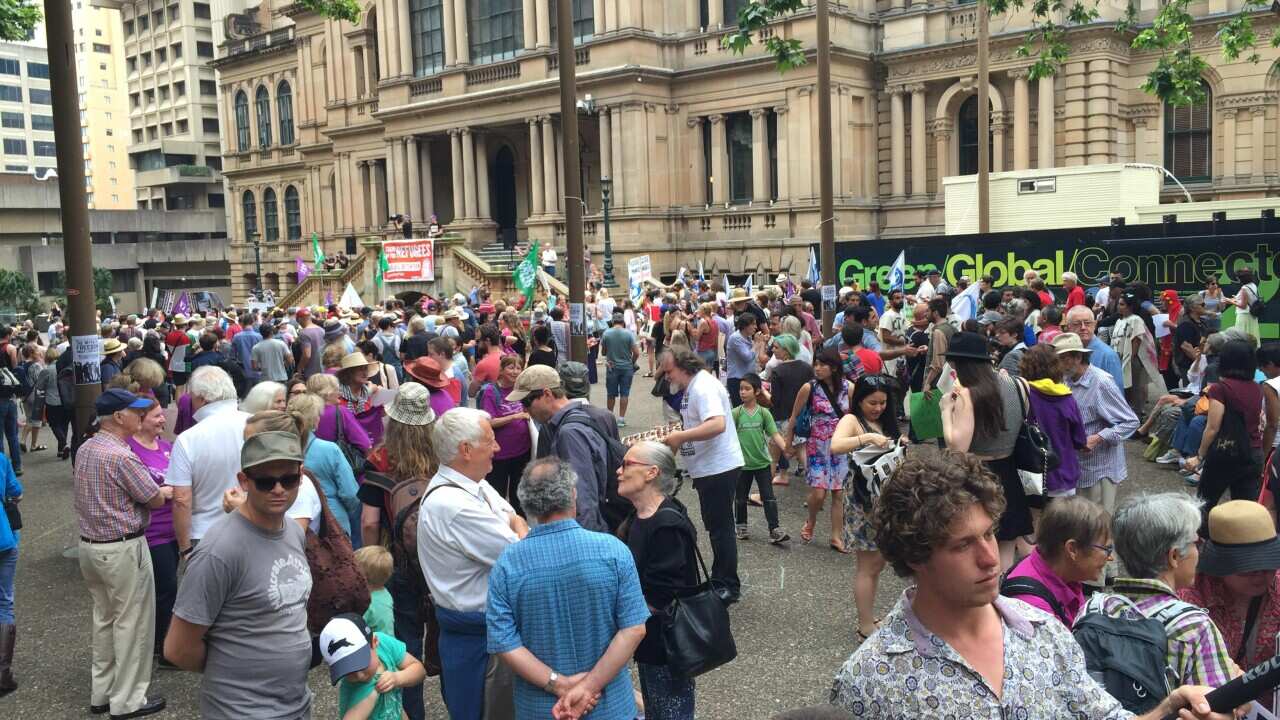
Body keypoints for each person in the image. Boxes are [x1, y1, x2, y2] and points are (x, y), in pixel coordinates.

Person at [829, 451, 1236, 720]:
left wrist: (1169, 707)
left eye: (989, 534)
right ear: (916, 556)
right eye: (963, 545)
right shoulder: (868, 681)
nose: (991, 558)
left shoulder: (1045, 633)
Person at [164, 430, 314, 719]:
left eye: (289, 479)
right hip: (240, 711)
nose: (279, 489)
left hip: (295, 706)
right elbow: (178, 648)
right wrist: (236, 670)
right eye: (266, 481)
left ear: (301, 476)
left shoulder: (293, 531)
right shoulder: (219, 551)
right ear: (244, 481)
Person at [487, 458, 650, 720]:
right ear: (573, 494)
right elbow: (634, 628)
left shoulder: (507, 564)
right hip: (609, 704)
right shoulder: (613, 551)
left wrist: (559, 683)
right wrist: (589, 685)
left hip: (541, 708)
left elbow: (504, 643)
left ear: (526, 504)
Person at [417, 407, 528, 720]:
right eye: (490, 441)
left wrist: (515, 524)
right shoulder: (454, 504)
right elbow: (520, 554)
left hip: (484, 631)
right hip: (478, 639)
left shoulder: (472, 483)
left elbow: (513, 516)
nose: (498, 448)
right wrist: (516, 527)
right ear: (465, 450)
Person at [76, 388, 170, 719]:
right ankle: (128, 700)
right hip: (122, 547)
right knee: (133, 624)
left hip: (90, 547)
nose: (141, 417)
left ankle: (102, 692)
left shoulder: (87, 448)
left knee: (105, 619)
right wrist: (165, 491)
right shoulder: (121, 455)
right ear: (118, 417)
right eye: (136, 412)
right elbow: (154, 498)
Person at [1103, 492, 1240, 688]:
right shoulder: (1194, 627)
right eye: (1195, 542)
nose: (1198, 551)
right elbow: (1214, 709)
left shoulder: (1097, 609)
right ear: (1174, 556)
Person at [359, 383, 438, 720]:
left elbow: (368, 521)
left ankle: (411, 713)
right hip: (439, 562)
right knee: (444, 642)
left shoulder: (380, 458)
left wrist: (372, 562)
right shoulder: (441, 453)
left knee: (404, 646)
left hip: (398, 564)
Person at [617, 441, 699, 719]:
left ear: (651, 473)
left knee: (669, 711)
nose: (619, 471)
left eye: (627, 464)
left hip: (666, 646)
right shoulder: (639, 515)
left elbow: (661, 595)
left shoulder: (666, 524)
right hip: (650, 640)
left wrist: (619, 624)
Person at [940, 331, 1029, 569]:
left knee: (980, 544)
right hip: (1010, 471)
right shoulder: (1019, 384)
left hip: (978, 474)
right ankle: (1005, 600)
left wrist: (945, 411)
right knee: (1006, 545)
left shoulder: (968, 394)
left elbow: (957, 447)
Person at [661, 350, 744, 604]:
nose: (667, 376)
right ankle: (721, 579)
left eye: (669, 371)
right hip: (710, 467)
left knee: (721, 529)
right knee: (718, 527)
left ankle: (727, 584)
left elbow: (716, 424)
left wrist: (680, 437)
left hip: (718, 467)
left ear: (684, 366)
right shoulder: (696, 385)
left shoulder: (703, 387)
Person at [1180, 500, 1280, 710]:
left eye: (1270, 565)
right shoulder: (1191, 600)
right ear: (1220, 565)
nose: (1261, 576)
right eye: (1248, 568)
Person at [829, 374, 905, 640]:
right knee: (868, 565)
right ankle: (865, 624)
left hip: (885, 498)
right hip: (863, 501)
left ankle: (868, 618)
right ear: (859, 399)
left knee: (878, 564)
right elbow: (835, 445)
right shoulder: (852, 421)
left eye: (883, 403)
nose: (878, 408)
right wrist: (867, 438)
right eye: (872, 402)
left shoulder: (884, 421)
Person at [1055, 333, 1138, 548]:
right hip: (1079, 467)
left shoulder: (1100, 382)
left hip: (1100, 467)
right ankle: (1106, 570)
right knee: (1088, 525)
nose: (1058, 364)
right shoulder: (1066, 380)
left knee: (1096, 526)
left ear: (1075, 357)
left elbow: (1130, 422)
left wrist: (1099, 437)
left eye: (1062, 358)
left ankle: (1097, 579)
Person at [510, 365, 611, 532]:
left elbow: (583, 499)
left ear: (547, 394)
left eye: (526, 402)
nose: (524, 409)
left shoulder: (569, 433)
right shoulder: (581, 417)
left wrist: (582, 544)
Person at [167, 366, 251, 560]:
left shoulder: (189, 438)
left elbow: (181, 499)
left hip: (205, 534)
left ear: (202, 398)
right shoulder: (256, 423)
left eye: (192, 398)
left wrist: (185, 548)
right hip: (253, 526)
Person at [125, 399, 179, 664]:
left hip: (174, 530)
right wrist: (162, 492)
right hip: (151, 533)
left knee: (169, 589)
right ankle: (163, 648)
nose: (163, 420)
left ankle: (165, 642)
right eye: (157, 416)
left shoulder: (168, 447)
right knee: (165, 589)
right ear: (140, 418)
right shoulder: (129, 451)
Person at [1003, 496, 1113, 626]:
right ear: (1072, 549)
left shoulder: (1066, 574)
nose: (1111, 557)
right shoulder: (1035, 611)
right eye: (1106, 548)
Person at [1186, 340, 1265, 519]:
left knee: (1205, 503)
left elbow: (1212, 427)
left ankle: (1202, 542)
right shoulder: (1257, 388)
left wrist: (1199, 456)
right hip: (1253, 452)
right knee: (1245, 508)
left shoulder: (1220, 389)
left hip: (1225, 451)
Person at [786, 349, 853, 552]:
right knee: (818, 493)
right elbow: (794, 416)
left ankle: (836, 536)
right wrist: (788, 443)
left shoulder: (849, 387)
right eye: (815, 364)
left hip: (841, 443)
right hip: (817, 444)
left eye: (822, 364)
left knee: (839, 493)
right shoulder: (809, 388)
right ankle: (811, 519)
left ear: (833, 367)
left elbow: (855, 416)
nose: (817, 368)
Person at [321, 612, 427, 720]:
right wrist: (371, 696)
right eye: (348, 671)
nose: (359, 676)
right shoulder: (354, 689)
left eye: (361, 664)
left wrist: (397, 678)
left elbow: (420, 671)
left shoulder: (385, 645)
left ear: (375, 642)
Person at [289, 392, 362, 542]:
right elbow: (350, 494)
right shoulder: (330, 450)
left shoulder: (282, 449)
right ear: (314, 419)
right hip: (333, 523)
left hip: (294, 523)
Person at [1019, 344, 1088, 500]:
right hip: (1064, 474)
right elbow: (1079, 440)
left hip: (1031, 476)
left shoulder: (1023, 394)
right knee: (1062, 523)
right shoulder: (1067, 398)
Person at [733, 374, 789, 544]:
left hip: (763, 463)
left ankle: (774, 529)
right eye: (741, 388)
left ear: (757, 391)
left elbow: (775, 434)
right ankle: (741, 525)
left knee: (769, 497)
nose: (742, 392)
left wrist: (786, 449)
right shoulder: (736, 413)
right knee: (740, 498)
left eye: (747, 388)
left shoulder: (764, 413)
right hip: (742, 465)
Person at [479, 355, 532, 516]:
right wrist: (515, 417)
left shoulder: (521, 390)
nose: (515, 371)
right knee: (497, 496)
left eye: (518, 367)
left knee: (520, 496)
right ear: (501, 370)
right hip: (499, 455)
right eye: (511, 367)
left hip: (522, 452)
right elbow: (489, 421)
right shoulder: (491, 391)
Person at [1065, 305, 1125, 393]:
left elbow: (1117, 394)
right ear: (1068, 327)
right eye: (1077, 324)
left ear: (1094, 325)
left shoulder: (1108, 355)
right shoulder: (1066, 351)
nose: (1083, 327)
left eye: (1087, 323)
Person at [0, 447, 20, 696]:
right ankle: (2, 673)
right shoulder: (1, 459)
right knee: (4, 601)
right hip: (4, 537)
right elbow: (16, 492)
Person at [601, 313, 640, 427]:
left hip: (611, 367)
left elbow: (603, 352)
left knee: (611, 394)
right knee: (624, 393)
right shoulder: (628, 334)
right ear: (623, 322)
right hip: (626, 367)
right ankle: (621, 419)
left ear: (613, 322)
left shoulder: (606, 333)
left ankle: (610, 417)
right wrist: (631, 362)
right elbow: (636, 352)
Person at [354, 545, 395, 636]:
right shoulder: (385, 593)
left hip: (375, 646)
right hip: (387, 643)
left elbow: (353, 627)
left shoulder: (367, 603)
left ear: (364, 577)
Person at [1232, 267, 1261, 341]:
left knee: (1242, 337)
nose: (1238, 280)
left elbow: (1243, 306)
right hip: (1252, 316)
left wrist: (1230, 301)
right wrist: (1236, 298)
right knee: (1252, 336)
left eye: (1239, 278)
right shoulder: (1253, 285)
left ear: (1243, 279)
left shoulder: (1244, 288)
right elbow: (1249, 299)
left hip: (1244, 316)